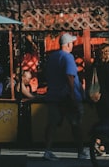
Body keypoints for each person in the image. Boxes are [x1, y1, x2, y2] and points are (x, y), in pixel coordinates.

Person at [42, 33, 88, 161]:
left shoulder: (52, 57)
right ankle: (81, 151)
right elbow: (70, 76)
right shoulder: (68, 57)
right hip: (67, 97)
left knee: (52, 124)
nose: (72, 45)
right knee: (76, 124)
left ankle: (47, 150)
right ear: (68, 44)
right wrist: (73, 95)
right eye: (72, 43)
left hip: (53, 95)